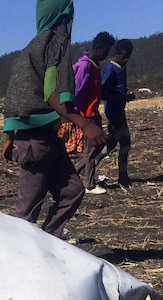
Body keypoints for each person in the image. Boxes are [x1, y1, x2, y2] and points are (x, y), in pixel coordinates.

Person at [1, 0, 106, 239]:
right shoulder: (56, 43)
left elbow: (15, 97)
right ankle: (16, 262)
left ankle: (49, 243)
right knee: (26, 214)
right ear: (65, 17)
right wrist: (85, 123)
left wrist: (8, 137)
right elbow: (51, 92)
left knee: (72, 191)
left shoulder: (30, 49)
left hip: (48, 139)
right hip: (35, 144)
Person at [72, 31, 115, 195]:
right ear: (98, 48)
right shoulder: (85, 65)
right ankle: (86, 183)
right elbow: (77, 90)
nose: (106, 55)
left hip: (93, 112)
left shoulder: (95, 65)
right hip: (86, 115)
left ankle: (80, 177)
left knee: (95, 148)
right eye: (106, 51)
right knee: (90, 151)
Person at [94, 38, 136, 188]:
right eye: (123, 56)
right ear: (117, 54)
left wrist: (126, 92)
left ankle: (90, 166)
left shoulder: (121, 68)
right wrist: (122, 96)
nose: (125, 60)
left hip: (119, 110)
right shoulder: (111, 69)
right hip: (113, 111)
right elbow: (102, 92)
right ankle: (122, 176)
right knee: (125, 143)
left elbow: (118, 88)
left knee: (111, 144)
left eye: (127, 57)